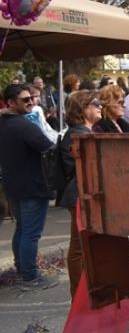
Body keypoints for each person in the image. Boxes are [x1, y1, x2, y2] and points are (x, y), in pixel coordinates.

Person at [0, 84, 58, 291]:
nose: (31, 102)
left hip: (14, 186)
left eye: (31, 98)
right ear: (11, 103)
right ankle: (30, 277)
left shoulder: (6, 124)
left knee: (23, 230)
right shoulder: (23, 126)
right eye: (26, 100)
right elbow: (48, 147)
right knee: (30, 233)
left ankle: (23, 271)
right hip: (32, 186)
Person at [59, 90, 102, 297]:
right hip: (78, 194)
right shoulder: (79, 134)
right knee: (78, 246)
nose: (100, 106)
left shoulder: (81, 132)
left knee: (80, 244)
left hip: (79, 193)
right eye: (95, 103)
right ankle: (78, 291)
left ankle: (81, 289)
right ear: (83, 109)